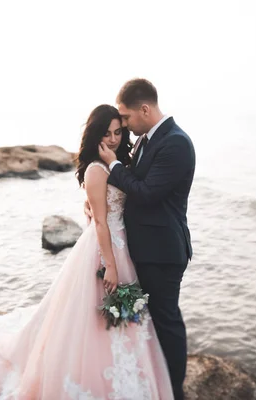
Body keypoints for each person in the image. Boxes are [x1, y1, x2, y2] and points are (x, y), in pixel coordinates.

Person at [0, 104, 174, 399]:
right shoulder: (96, 169)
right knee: (95, 313)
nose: (113, 139)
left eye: (118, 132)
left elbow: (122, 199)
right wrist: (109, 264)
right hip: (105, 248)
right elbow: (101, 222)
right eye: (106, 133)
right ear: (95, 134)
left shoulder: (120, 162)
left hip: (124, 245)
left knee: (122, 316)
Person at [91, 78, 195, 400]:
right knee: (143, 322)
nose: (123, 125)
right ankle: (152, 381)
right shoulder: (148, 140)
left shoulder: (175, 143)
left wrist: (113, 165)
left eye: (125, 117)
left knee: (167, 324)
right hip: (142, 250)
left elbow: (147, 193)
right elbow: (131, 185)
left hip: (163, 253)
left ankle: (174, 391)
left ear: (145, 109)